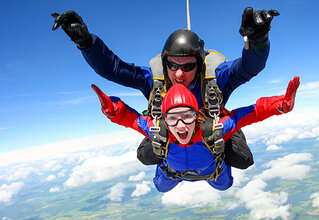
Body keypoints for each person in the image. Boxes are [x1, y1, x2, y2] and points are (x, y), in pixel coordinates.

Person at [51, 8, 280, 169]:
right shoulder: (154, 81)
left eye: (188, 66)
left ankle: (220, 148)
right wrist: (86, 43)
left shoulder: (215, 80)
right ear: (165, 63)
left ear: (199, 65)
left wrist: (258, 41)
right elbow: (113, 69)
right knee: (146, 156)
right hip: (168, 134)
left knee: (242, 159)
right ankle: (174, 164)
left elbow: (249, 67)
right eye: (172, 65)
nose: (179, 73)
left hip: (212, 132)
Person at [91, 76, 300, 192]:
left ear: (197, 114)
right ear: (164, 118)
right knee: (160, 187)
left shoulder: (215, 128)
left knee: (225, 185)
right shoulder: (158, 130)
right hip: (172, 173)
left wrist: (280, 105)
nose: (181, 125)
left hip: (212, 172)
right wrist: (112, 109)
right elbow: (130, 118)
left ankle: (228, 145)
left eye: (187, 116)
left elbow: (253, 112)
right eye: (172, 118)